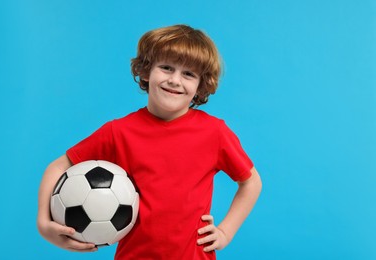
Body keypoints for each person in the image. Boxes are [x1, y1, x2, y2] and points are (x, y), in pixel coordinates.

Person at [37, 24, 262, 259]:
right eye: (166, 68)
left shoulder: (214, 132)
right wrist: (44, 224)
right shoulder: (119, 132)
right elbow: (58, 167)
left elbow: (251, 182)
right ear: (146, 71)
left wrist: (225, 232)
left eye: (189, 74)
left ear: (200, 85)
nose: (175, 80)